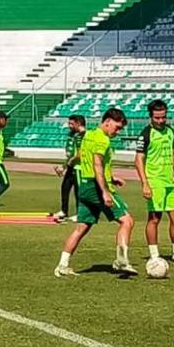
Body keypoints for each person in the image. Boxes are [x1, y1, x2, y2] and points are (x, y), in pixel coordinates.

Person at [54, 108, 137, 277]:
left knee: (82, 227)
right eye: (117, 127)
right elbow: (97, 165)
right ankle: (121, 260)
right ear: (107, 121)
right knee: (127, 220)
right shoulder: (102, 140)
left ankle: (62, 265)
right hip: (96, 187)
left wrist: (111, 177)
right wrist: (105, 191)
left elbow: (84, 159)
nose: (118, 131)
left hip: (84, 184)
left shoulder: (89, 135)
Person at [135, 100, 174, 264]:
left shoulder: (170, 131)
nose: (160, 121)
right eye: (157, 118)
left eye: (163, 117)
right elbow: (138, 159)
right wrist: (145, 183)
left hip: (170, 182)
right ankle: (154, 255)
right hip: (155, 181)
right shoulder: (146, 134)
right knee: (154, 218)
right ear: (151, 116)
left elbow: (173, 153)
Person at [56, 115, 86, 221]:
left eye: (71, 124)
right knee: (65, 188)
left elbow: (80, 153)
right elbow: (71, 153)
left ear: (78, 123)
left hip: (79, 167)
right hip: (71, 167)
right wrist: (65, 165)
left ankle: (80, 214)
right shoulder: (73, 135)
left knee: (78, 192)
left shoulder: (83, 135)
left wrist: (70, 161)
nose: (69, 126)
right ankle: (64, 211)